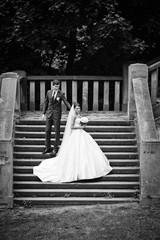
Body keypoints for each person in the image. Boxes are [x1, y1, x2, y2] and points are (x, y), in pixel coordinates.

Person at [33, 103, 112, 183]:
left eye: (79, 108)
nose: (78, 109)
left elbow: (80, 123)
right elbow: (71, 127)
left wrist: (84, 123)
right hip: (76, 134)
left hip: (81, 133)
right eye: (77, 108)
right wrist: (81, 127)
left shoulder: (79, 115)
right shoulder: (73, 116)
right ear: (74, 109)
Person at [42, 79, 71, 155]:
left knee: (57, 131)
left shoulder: (61, 93)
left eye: (58, 86)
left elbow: (65, 102)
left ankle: (55, 148)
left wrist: (71, 109)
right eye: (55, 86)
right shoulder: (49, 92)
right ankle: (47, 147)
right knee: (47, 130)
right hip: (49, 114)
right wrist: (43, 113)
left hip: (57, 115)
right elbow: (46, 103)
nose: (56, 87)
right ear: (53, 86)